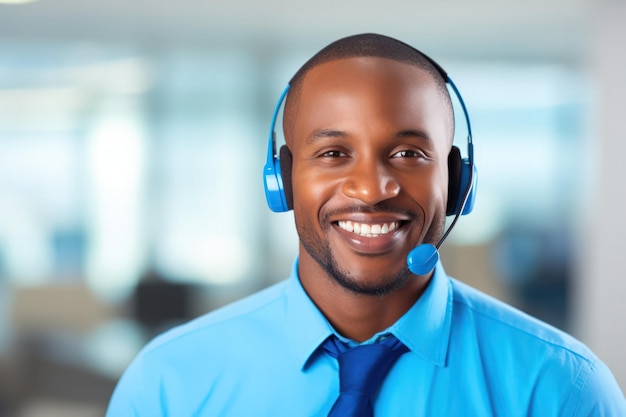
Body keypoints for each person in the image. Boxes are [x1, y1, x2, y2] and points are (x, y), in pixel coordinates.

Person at [106, 33, 626, 416]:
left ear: (457, 179)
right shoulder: (168, 383)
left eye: (407, 152)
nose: (372, 188)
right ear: (283, 178)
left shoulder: (561, 388)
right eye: (334, 152)